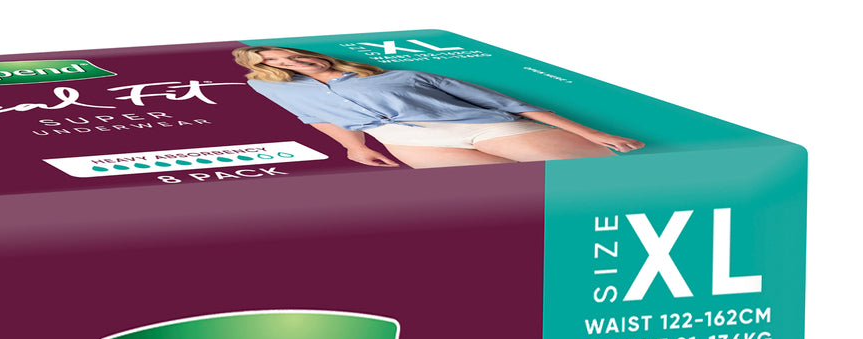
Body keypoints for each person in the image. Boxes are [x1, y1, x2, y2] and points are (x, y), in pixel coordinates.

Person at [233, 46, 643, 168]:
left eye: (288, 53)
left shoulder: (403, 76)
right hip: (406, 143)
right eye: (276, 61)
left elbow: (506, 103)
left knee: (593, 173)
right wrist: (354, 147)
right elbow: (315, 117)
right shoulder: (273, 88)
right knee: (506, 201)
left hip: (482, 125)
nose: (289, 61)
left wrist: (591, 133)